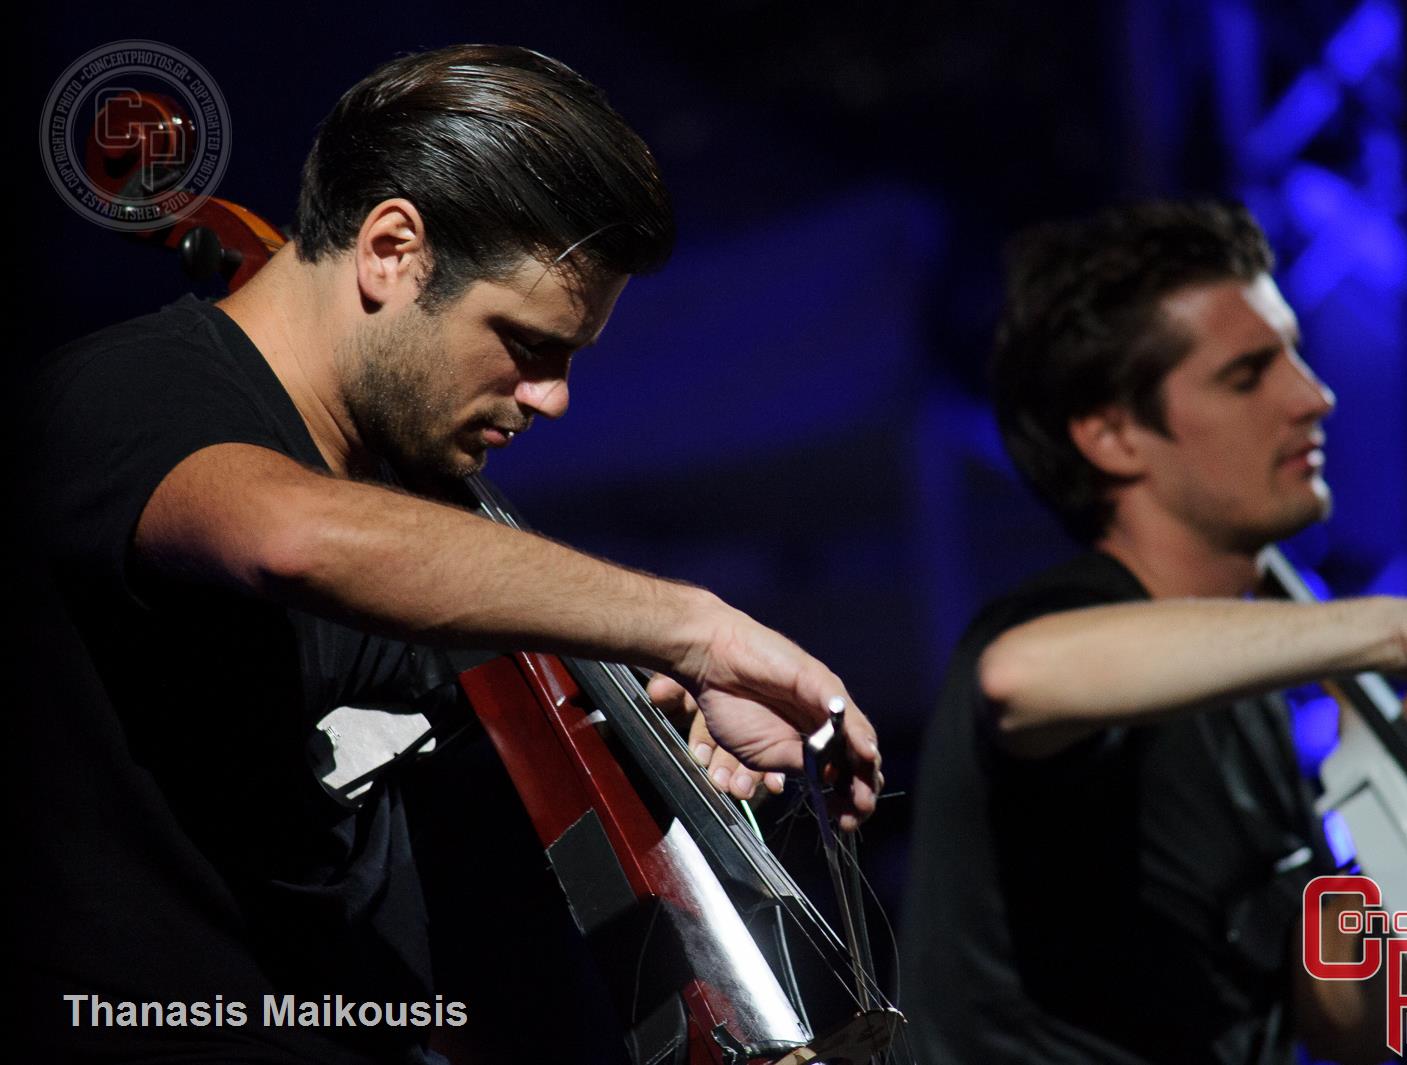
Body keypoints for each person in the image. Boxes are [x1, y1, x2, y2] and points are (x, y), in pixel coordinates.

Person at [15, 44, 881, 1064]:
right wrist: (692, 627)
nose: (553, 396)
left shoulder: (394, 503)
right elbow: (296, 541)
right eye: (525, 342)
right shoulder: (135, 393)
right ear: (390, 249)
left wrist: (646, 693)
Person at [899, 200, 1407, 1065]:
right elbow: (1015, 675)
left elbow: (1348, 1022)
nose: (1313, 394)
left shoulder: (1257, 699)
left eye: (1295, 355)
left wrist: (1403, 802)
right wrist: (1389, 632)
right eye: (1247, 374)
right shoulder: (1054, 624)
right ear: (1113, 434)